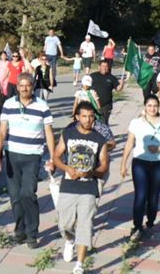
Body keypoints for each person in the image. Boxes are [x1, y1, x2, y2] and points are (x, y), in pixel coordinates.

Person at [0, 74, 55, 248]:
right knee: (15, 197)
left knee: (28, 193)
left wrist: (53, 158)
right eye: (21, 85)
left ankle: (32, 233)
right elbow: (2, 132)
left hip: (32, 156)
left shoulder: (42, 106)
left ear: (33, 86)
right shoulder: (9, 104)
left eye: (28, 85)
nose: (25, 88)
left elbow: (49, 132)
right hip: (12, 156)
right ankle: (20, 231)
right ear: (17, 87)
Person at [53, 102, 109, 274]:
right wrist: (68, 169)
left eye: (91, 116)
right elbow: (56, 157)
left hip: (88, 188)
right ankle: (69, 241)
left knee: (85, 225)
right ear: (77, 117)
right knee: (64, 224)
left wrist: (91, 173)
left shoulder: (99, 139)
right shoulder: (68, 134)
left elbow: (104, 165)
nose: (88, 119)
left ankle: (80, 264)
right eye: (84, 116)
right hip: (68, 185)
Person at [120, 95, 160, 240]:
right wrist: (123, 164)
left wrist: (159, 148)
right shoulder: (136, 122)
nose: (152, 108)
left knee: (153, 196)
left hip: (159, 164)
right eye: (149, 105)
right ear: (145, 107)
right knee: (140, 195)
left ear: (159, 107)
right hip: (140, 162)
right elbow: (129, 143)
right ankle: (137, 226)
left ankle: (150, 223)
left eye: (155, 106)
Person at [90, 60, 125, 125]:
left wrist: (122, 84)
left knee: (104, 124)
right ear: (99, 67)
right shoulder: (92, 76)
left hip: (106, 106)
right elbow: (85, 87)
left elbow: (118, 89)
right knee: (92, 123)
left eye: (106, 66)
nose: (104, 68)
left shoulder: (111, 77)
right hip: (93, 104)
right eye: (103, 66)